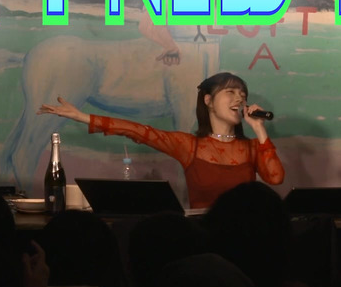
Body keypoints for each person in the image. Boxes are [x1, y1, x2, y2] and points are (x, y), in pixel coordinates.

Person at [38, 72, 284, 209]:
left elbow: (275, 178)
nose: (239, 99)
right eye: (230, 92)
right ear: (208, 101)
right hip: (204, 234)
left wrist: (259, 129)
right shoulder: (190, 145)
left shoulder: (253, 147)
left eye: (242, 95)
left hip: (246, 236)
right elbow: (137, 131)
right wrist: (81, 116)